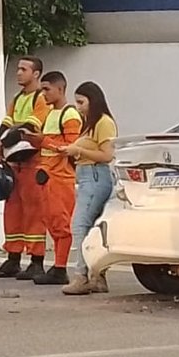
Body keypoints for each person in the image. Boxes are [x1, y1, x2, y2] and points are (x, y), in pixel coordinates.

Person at [0, 56, 50, 279]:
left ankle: (36, 260)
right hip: (15, 161)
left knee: (34, 211)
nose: (18, 73)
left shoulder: (40, 98)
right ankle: (13, 257)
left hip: (33, 161)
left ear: (36, 74)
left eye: (23, 69)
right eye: (18, 69)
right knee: (13, 210)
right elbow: (6, 123)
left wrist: (1, 144)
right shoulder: (18, 98)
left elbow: (28, 127)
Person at [20, 71, 82, 285]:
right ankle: (57, 266)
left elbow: (71, 149)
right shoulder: (49, 114)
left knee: (60, 223)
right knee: (49, 221)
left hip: (61, 176)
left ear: (60, 90)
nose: (43, 93)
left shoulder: (69, 115)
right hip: (47, 175)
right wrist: (34, 140)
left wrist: (42, 141)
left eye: (47, 89)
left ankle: (61, 268)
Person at [60, 82, 117, 296]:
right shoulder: (90, 124)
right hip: (86, 176)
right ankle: (97, 276)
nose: (79, 107)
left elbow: (107, 155)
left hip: (95, 175)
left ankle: (81, 275)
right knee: (92, 227)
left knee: (80, 224)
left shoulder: (104, 123)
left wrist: (78, 149)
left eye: (81, 102)